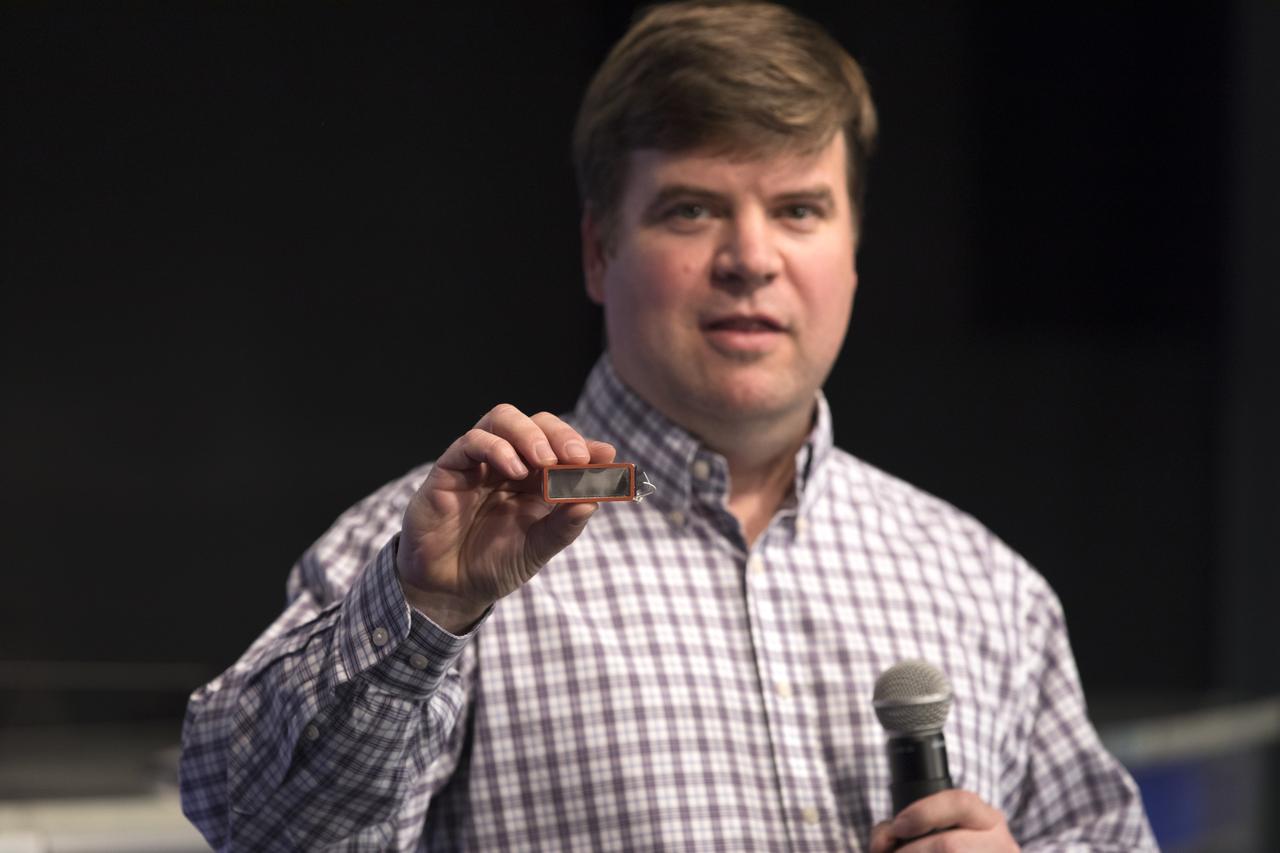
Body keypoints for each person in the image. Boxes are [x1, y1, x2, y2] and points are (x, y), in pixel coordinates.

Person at [180, 2, 1157, 850]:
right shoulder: (430, 555)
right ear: (600, 254)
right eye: (691, 210)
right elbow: (265, 832)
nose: (749, 258)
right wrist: (425, 618)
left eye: (798, 209)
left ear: (852, 253)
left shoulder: (983, 582)